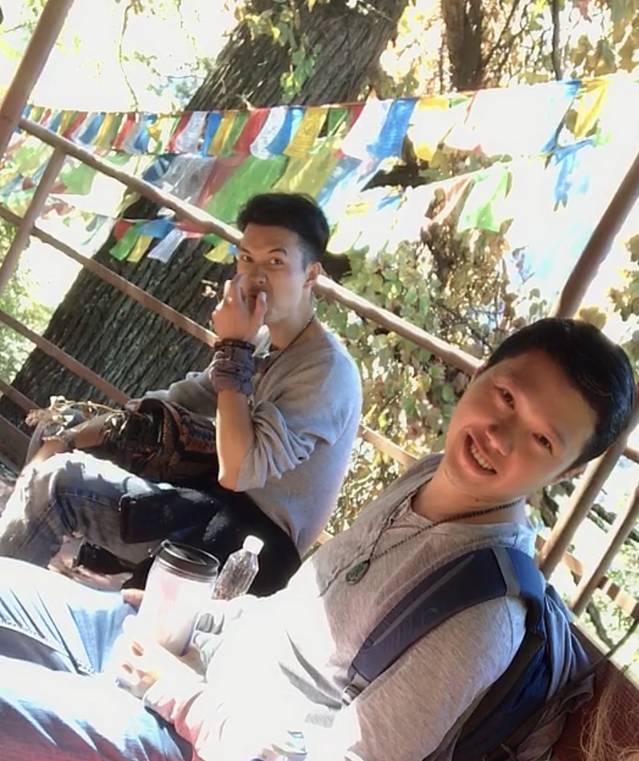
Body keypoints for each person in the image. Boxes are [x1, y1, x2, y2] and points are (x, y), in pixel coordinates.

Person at [0, 318, 634, 761]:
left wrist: (180, 694)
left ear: (564, 473)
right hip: (187, 658)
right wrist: (203, 616)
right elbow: (295, 619)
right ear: (480, 373)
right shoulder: (427, 476)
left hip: (189, 735)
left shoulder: (481, 613)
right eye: (506, 396)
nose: (500, 435)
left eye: (542, 439)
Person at [0, 192, 362, 594]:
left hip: (246, 544)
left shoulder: (327, 371)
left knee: (58, 484)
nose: (256, 276)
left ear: (311, 275)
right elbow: (177, 399)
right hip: (203, 503)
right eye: (246, 259)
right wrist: (68, 438)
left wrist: (233, 348)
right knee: (57, 428)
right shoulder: (261, 343)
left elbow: (238, 471)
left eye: (275, 262)